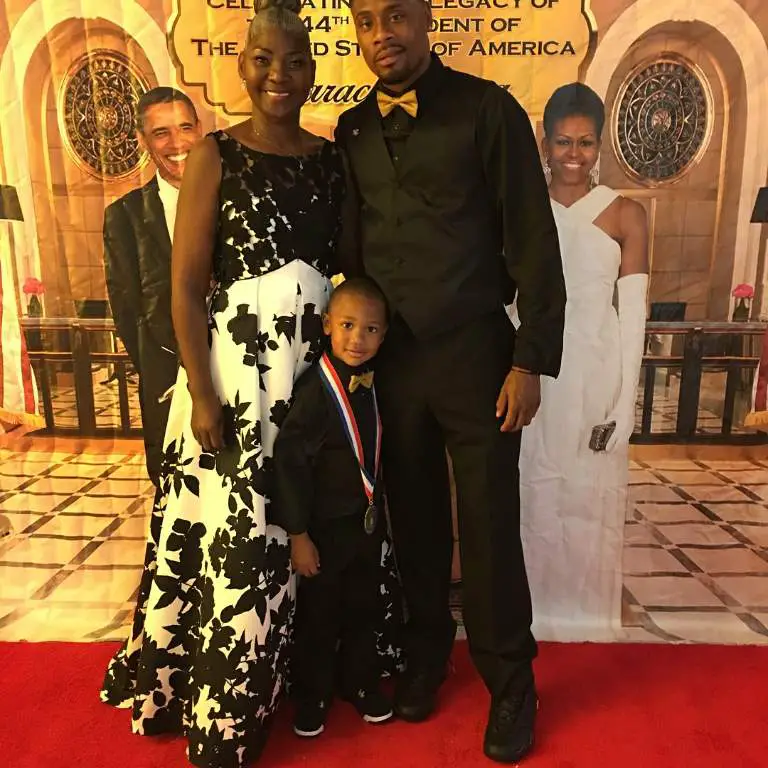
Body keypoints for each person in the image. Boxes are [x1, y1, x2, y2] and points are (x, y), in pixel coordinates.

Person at [100, 2, 344, 766]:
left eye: (296, 60)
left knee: (304, 523)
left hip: (309, 371)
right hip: (235, 378)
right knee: (238, 537)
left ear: (312, 68)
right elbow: (184, 286)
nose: (279, 74)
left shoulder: (329, 157)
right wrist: (202, 394)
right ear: (242, 64)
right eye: (263, 58)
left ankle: (307, 677)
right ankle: (229, 699)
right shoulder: (215, 155)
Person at [335, 0, 567, 762]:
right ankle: (427, 656)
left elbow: (533, 239)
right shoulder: (354, 129)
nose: (381, 35)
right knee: (417, 522)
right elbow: (353, 252)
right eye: (366, 21)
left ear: (427, 19)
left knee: (491, 525)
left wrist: (529, 360)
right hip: (393, 364)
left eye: (395, 16)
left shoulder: (487, 109)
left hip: (478, 355)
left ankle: (511, 684)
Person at [517, 83, 649, 640]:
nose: (574, 154)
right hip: (534, 375)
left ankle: (590, 620)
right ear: (544, 143)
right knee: (534, 493)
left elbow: (634, 314)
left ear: (601, 145)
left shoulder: (625, 214)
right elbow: (505, 302)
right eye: (563, 141)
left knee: (590, 497)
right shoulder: (521, 209)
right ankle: (532, 619)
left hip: (597, 372)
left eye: (586, 142)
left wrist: (625, 405)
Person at [272, 277, 397, 737]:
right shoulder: (313, 393)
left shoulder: (380, 384)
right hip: (322, 530)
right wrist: (298, 535)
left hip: (366, 527)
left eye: (370, 329)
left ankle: (361, 683)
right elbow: (290, 465)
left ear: (384, 335)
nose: (357, 339)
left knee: (365, 608)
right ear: (326, 324)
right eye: (347, 325)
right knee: (319, 617)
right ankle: (313, 693)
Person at [103, 87, 202, 487]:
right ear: (143, 141)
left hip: (238, 374)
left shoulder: (234, 200)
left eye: (185, 128)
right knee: (176, 493)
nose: (176, 143)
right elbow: (127, 311)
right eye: (161, 133)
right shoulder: (123, 216)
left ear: (200, 130)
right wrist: (162, 367)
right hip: (167, 381)